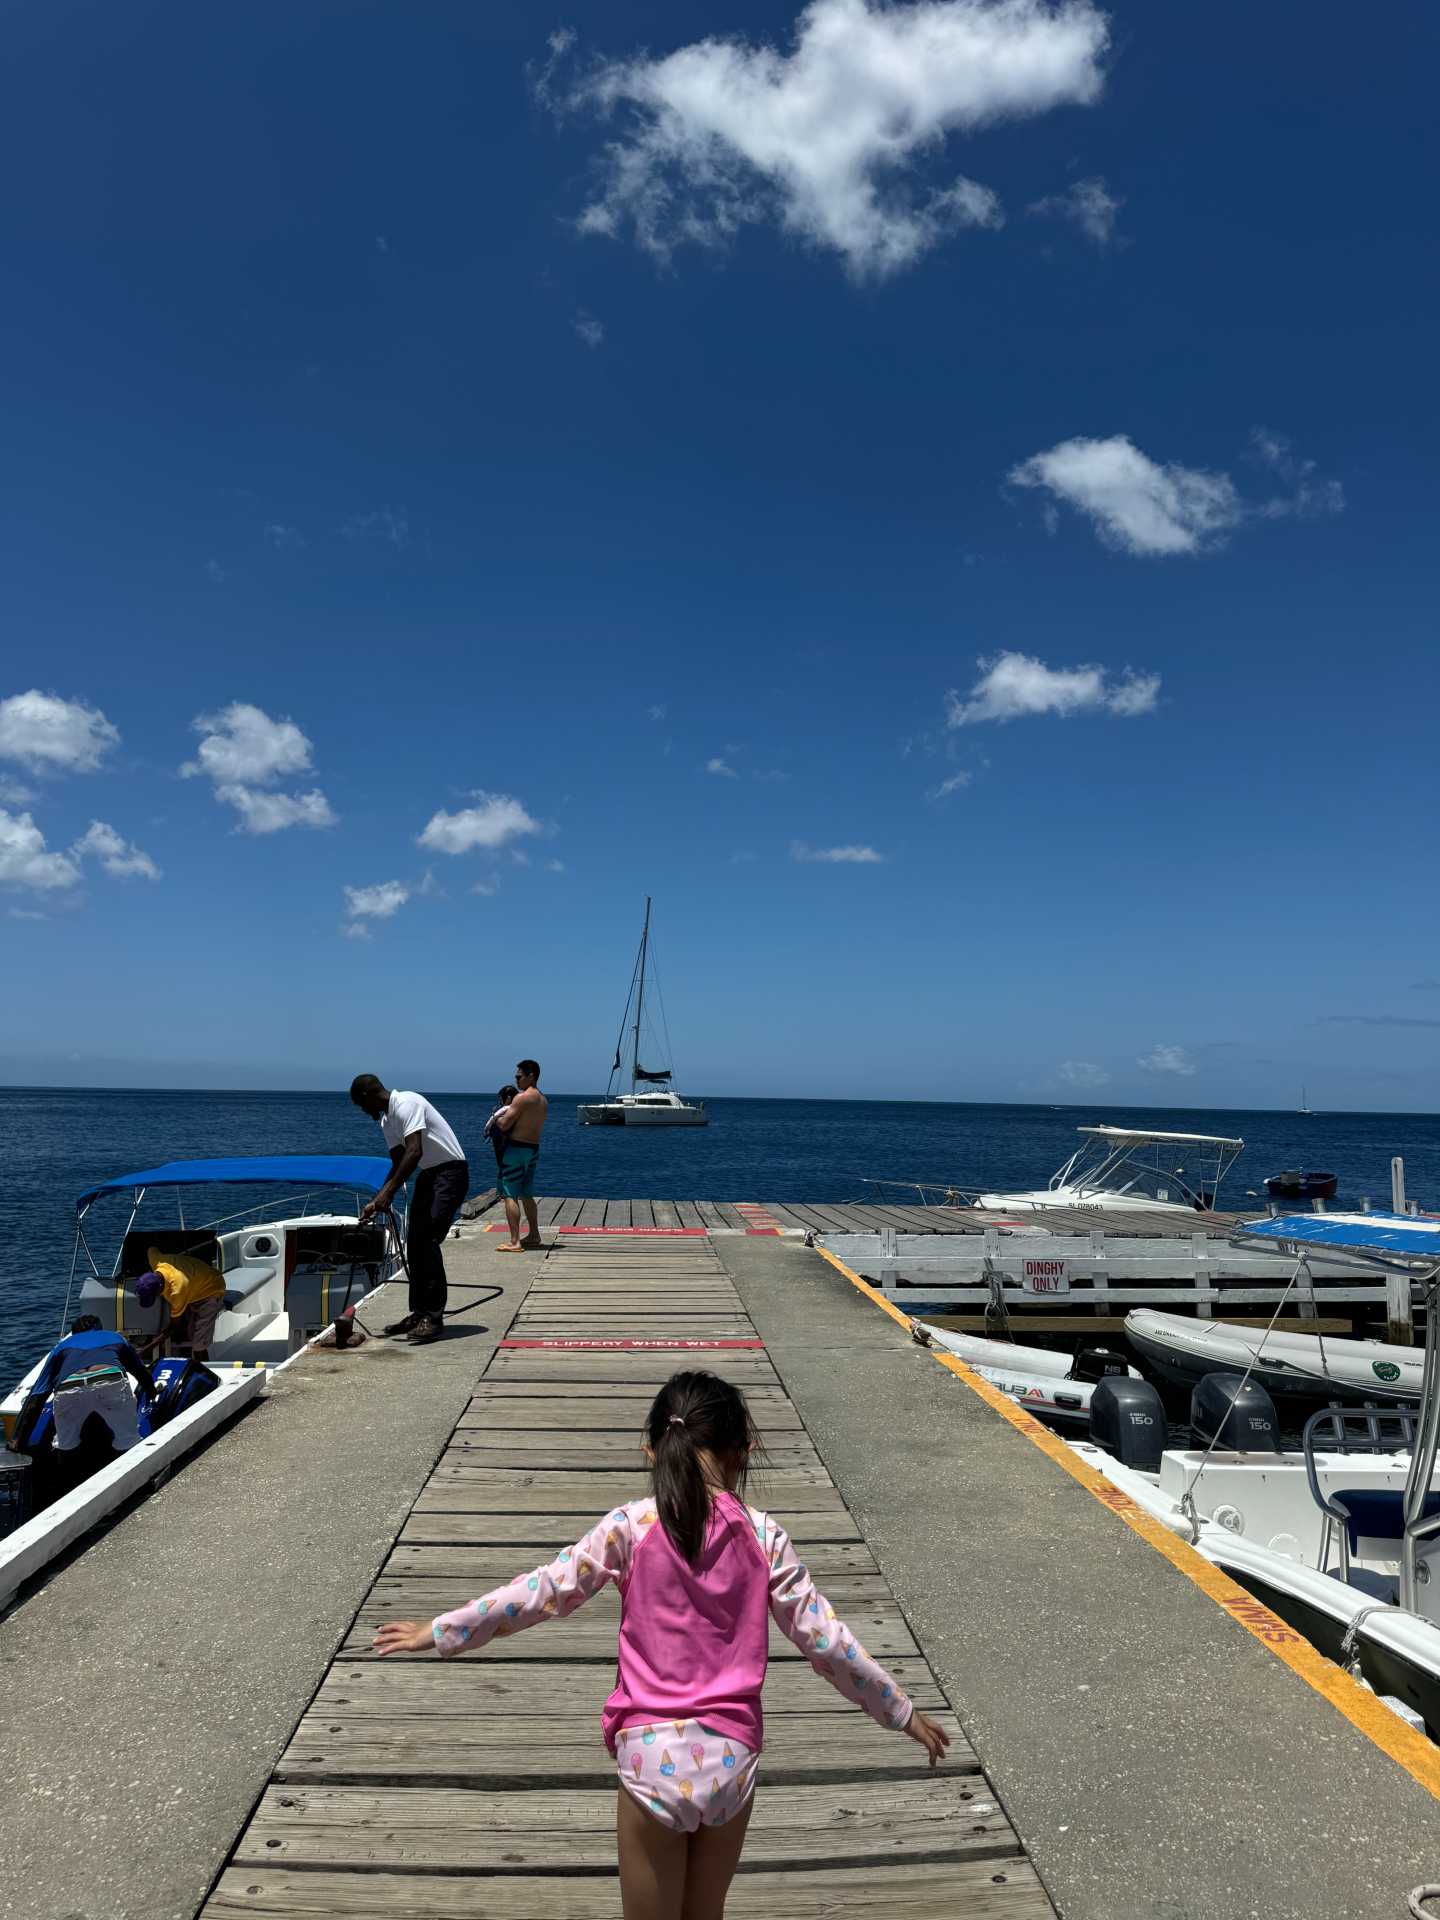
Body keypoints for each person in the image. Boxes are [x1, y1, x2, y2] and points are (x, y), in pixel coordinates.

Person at [375, 1370, 949, 1917]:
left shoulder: (631, 1527)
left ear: (651, 1449)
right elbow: (828, 1641)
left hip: (651, 1757)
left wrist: (443, 1630)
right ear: (742, 1449)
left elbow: (544, 1590)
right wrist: (901, 1712)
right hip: (731, 1758)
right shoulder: (764, 1536)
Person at [349, 1074, 470, 1345]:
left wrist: (389, 1193)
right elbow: (397, 1162)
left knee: (427, 1240)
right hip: (430, 1175)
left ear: (369, 1095)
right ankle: (419, 1313)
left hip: (451, 1173)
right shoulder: (386, 1120)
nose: (363, 1112)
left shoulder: (406, 1103)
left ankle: (434, 1318)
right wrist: (378, 1198)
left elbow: (414, 1152)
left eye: (361, 1105)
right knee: (414, 1242)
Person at [11, 1314, 156, 1502]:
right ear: (99, 1327)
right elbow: (139, 1371)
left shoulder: (62, 1346)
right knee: (127, 1440)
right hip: (109, 1379)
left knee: (66, 1445)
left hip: (70, 1386)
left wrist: (17, 1440)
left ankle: (67, 1494)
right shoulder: (114, 1337)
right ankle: (135, 1491)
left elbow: (38, 1394)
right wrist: (152, 1393)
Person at [136, 1242, 227, 1361]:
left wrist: (145, 1350)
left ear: (159, 1290)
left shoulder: (177, 1291)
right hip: (196, 1282)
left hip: (212, 1289)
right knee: (189, 1333)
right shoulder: (156, 1260)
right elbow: (151, 1248)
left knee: (198, 1344)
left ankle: (204, 1372)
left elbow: (173, 1327)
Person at [496, 1058, 547, 1252]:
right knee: (527, 1193)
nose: (516, 1081)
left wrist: (496, 1116)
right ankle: (534, 1235)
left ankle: (515, 1241)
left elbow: (505, 1124)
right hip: (533, 1150)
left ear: (530, 1076)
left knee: (509, 1194)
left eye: (519, 1077)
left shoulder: (522, 1098)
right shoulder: (543, 1100)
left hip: (516, 1149)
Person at [483, 1083, 518, 1175]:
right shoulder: (519, 1110)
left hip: (502, 1141)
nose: (500, 1102)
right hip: (516, 1143)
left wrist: (486, 1130)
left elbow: (492, 1120)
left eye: (501, 1099)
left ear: (508, 1098)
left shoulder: (506, 1108)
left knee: (502, 1164)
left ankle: (503, 1185)